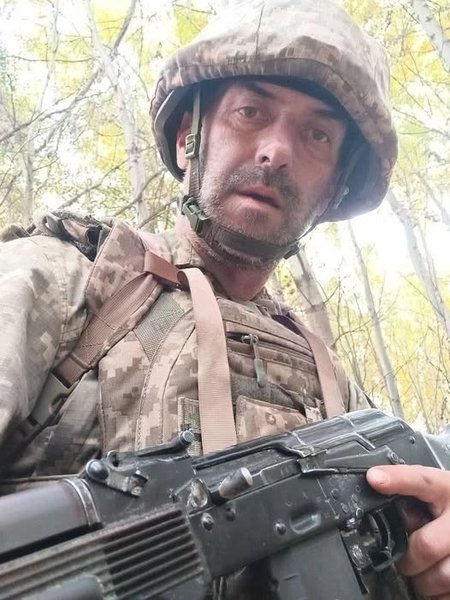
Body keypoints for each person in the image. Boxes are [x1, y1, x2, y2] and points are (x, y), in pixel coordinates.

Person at [0, 0, 449, 597]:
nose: (276, 150)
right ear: (190, 136)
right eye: (250, 111)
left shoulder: (336, 387)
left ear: (335, 186)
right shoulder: (64, 281)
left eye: (316, 134)